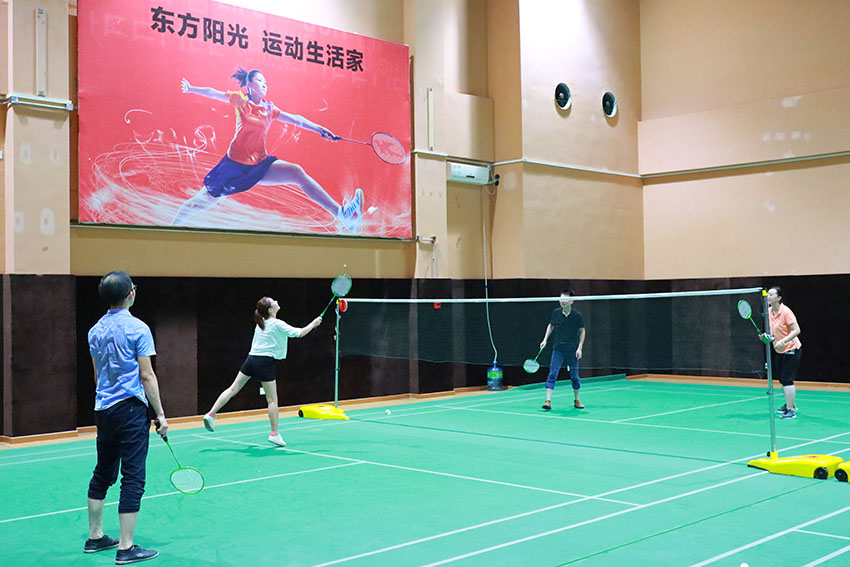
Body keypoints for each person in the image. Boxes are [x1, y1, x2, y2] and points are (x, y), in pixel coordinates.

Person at [172, 67, 363, 233]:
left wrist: (320, 129)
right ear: (250, 85)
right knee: (199, 202)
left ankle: (344, 216)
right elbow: (214, 93)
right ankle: (172, 230)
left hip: (259, 164)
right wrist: (191, 88)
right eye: (260, 81)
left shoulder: (269, 109)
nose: (264, 84)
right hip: (233, 167)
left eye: (265, 81)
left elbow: (296, 119)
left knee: (296, 172)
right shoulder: (241, 100)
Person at [85, 271, 168, 565]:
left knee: (103, 472)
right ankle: (126, 547)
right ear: (130, 294)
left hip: (104, 409)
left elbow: (97, 375)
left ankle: (95, 537)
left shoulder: (94, 331)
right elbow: (147, 375)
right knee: (133, 477)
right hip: (130, 410)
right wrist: (160, 415)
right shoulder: (138, 328)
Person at [203, 297, 322, 446]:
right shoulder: (277, 323)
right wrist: (314, 324)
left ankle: (211, 414)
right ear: (271, 310)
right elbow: (299, 333)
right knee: (272, 400)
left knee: (233, 388)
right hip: (265, 362)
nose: (277, 301)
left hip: (251, 359)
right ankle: (274, 434)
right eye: (273, 301)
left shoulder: (261, 323)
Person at [539, 290, 586, 411]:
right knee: (552, 374)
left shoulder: (577, 316)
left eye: (565, 299)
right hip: (558, 349)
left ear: (572, 301)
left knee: (574, 376)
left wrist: (580, 348)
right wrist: (545, 340)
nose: (562, 301)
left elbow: (582, 331)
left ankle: (577, 400)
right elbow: (551, 326)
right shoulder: (556, 313)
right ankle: (548, 400)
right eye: (560, 299)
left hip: (572, 350)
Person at [767, 286, 802, 419]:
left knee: (787, 380)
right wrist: (766, 337)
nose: (768, 297)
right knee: (782, 379)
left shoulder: (786, 312)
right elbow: (773, 330)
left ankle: (791, 410)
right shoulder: (769, 311)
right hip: (780, 350)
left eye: (771, 295)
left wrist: (783, 341)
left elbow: (796, 330)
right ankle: (790, 403)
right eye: (767, 294)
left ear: (779, 298)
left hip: (792, 349)